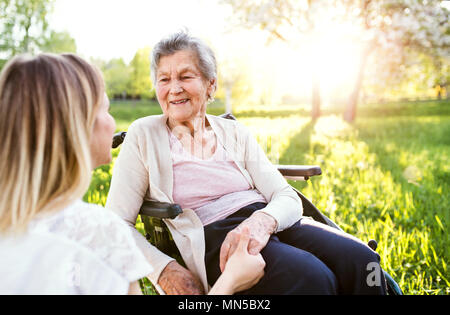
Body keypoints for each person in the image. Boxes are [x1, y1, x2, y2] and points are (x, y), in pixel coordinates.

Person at [106, 31, 387, 295]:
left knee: (363, 260)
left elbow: (285, 196)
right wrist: (163, 269)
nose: (174, 88)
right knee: (313, 278)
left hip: (269, 219)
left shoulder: (234, 132)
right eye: (164, 79)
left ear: (210, 84)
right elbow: (116, 223)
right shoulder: (144, 134)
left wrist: (262, 222)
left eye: (185, 76)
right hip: (215, 236)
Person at [0, 53, 265, 295]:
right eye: (105, 109)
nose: (113, 122)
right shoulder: (98, 232)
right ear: (77, 128)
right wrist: (231, 281)